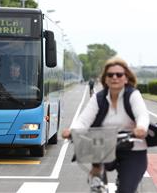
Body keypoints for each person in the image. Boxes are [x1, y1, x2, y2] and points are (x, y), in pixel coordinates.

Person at [62, 56, 150, 193]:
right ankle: (98, 179)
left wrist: (141, 128)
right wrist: (72, 131)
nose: (115, 77)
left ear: (126, 78)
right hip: (106, 146)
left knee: (126, 190)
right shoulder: (99, 98)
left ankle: (123, 181)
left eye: (119, 74)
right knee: (97, 184)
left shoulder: (133, 95)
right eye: (110, 75)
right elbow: (84, 121)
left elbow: (142, 115)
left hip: (133, 149)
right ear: (105, 79)